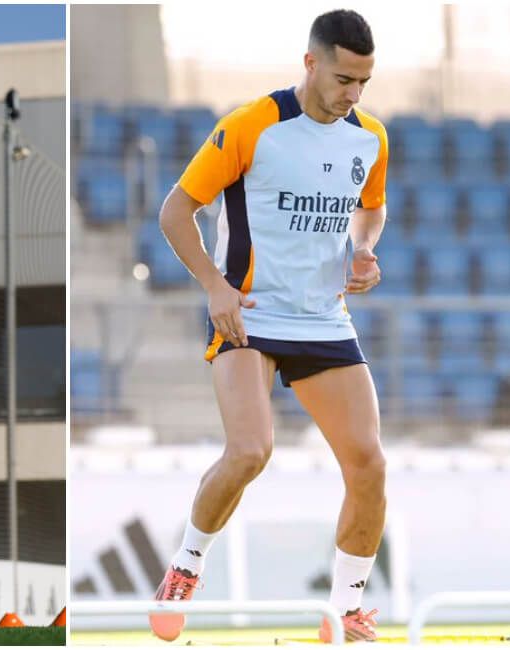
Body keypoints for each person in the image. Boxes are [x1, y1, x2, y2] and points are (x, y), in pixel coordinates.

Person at [151, 9, 387, 644]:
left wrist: (363, 251)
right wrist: (214, 286)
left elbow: (371, 207)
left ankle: (346, 612)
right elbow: (176, 210)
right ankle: (184, 566)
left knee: (368, 463)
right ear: (310, 64)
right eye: (343, 79)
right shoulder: (252, 124)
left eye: (364, 82)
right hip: (249, 313)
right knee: (251, 451)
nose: (353, 95)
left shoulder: (370, 137)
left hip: (324, 320)